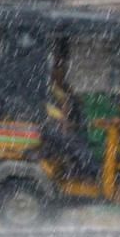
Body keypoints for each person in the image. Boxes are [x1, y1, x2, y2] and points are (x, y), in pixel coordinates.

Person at [43, 39, 100, 180]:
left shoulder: (60, 86)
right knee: (76, 145)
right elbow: (47, 106)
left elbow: (70, 102)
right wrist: (62, 119)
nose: (62, 72)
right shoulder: (45, 85)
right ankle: (94, 173)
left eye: (63, 68)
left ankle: (84, 171)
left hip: (64, 125)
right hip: (50, 127)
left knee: (82, 142)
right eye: (59, 68)